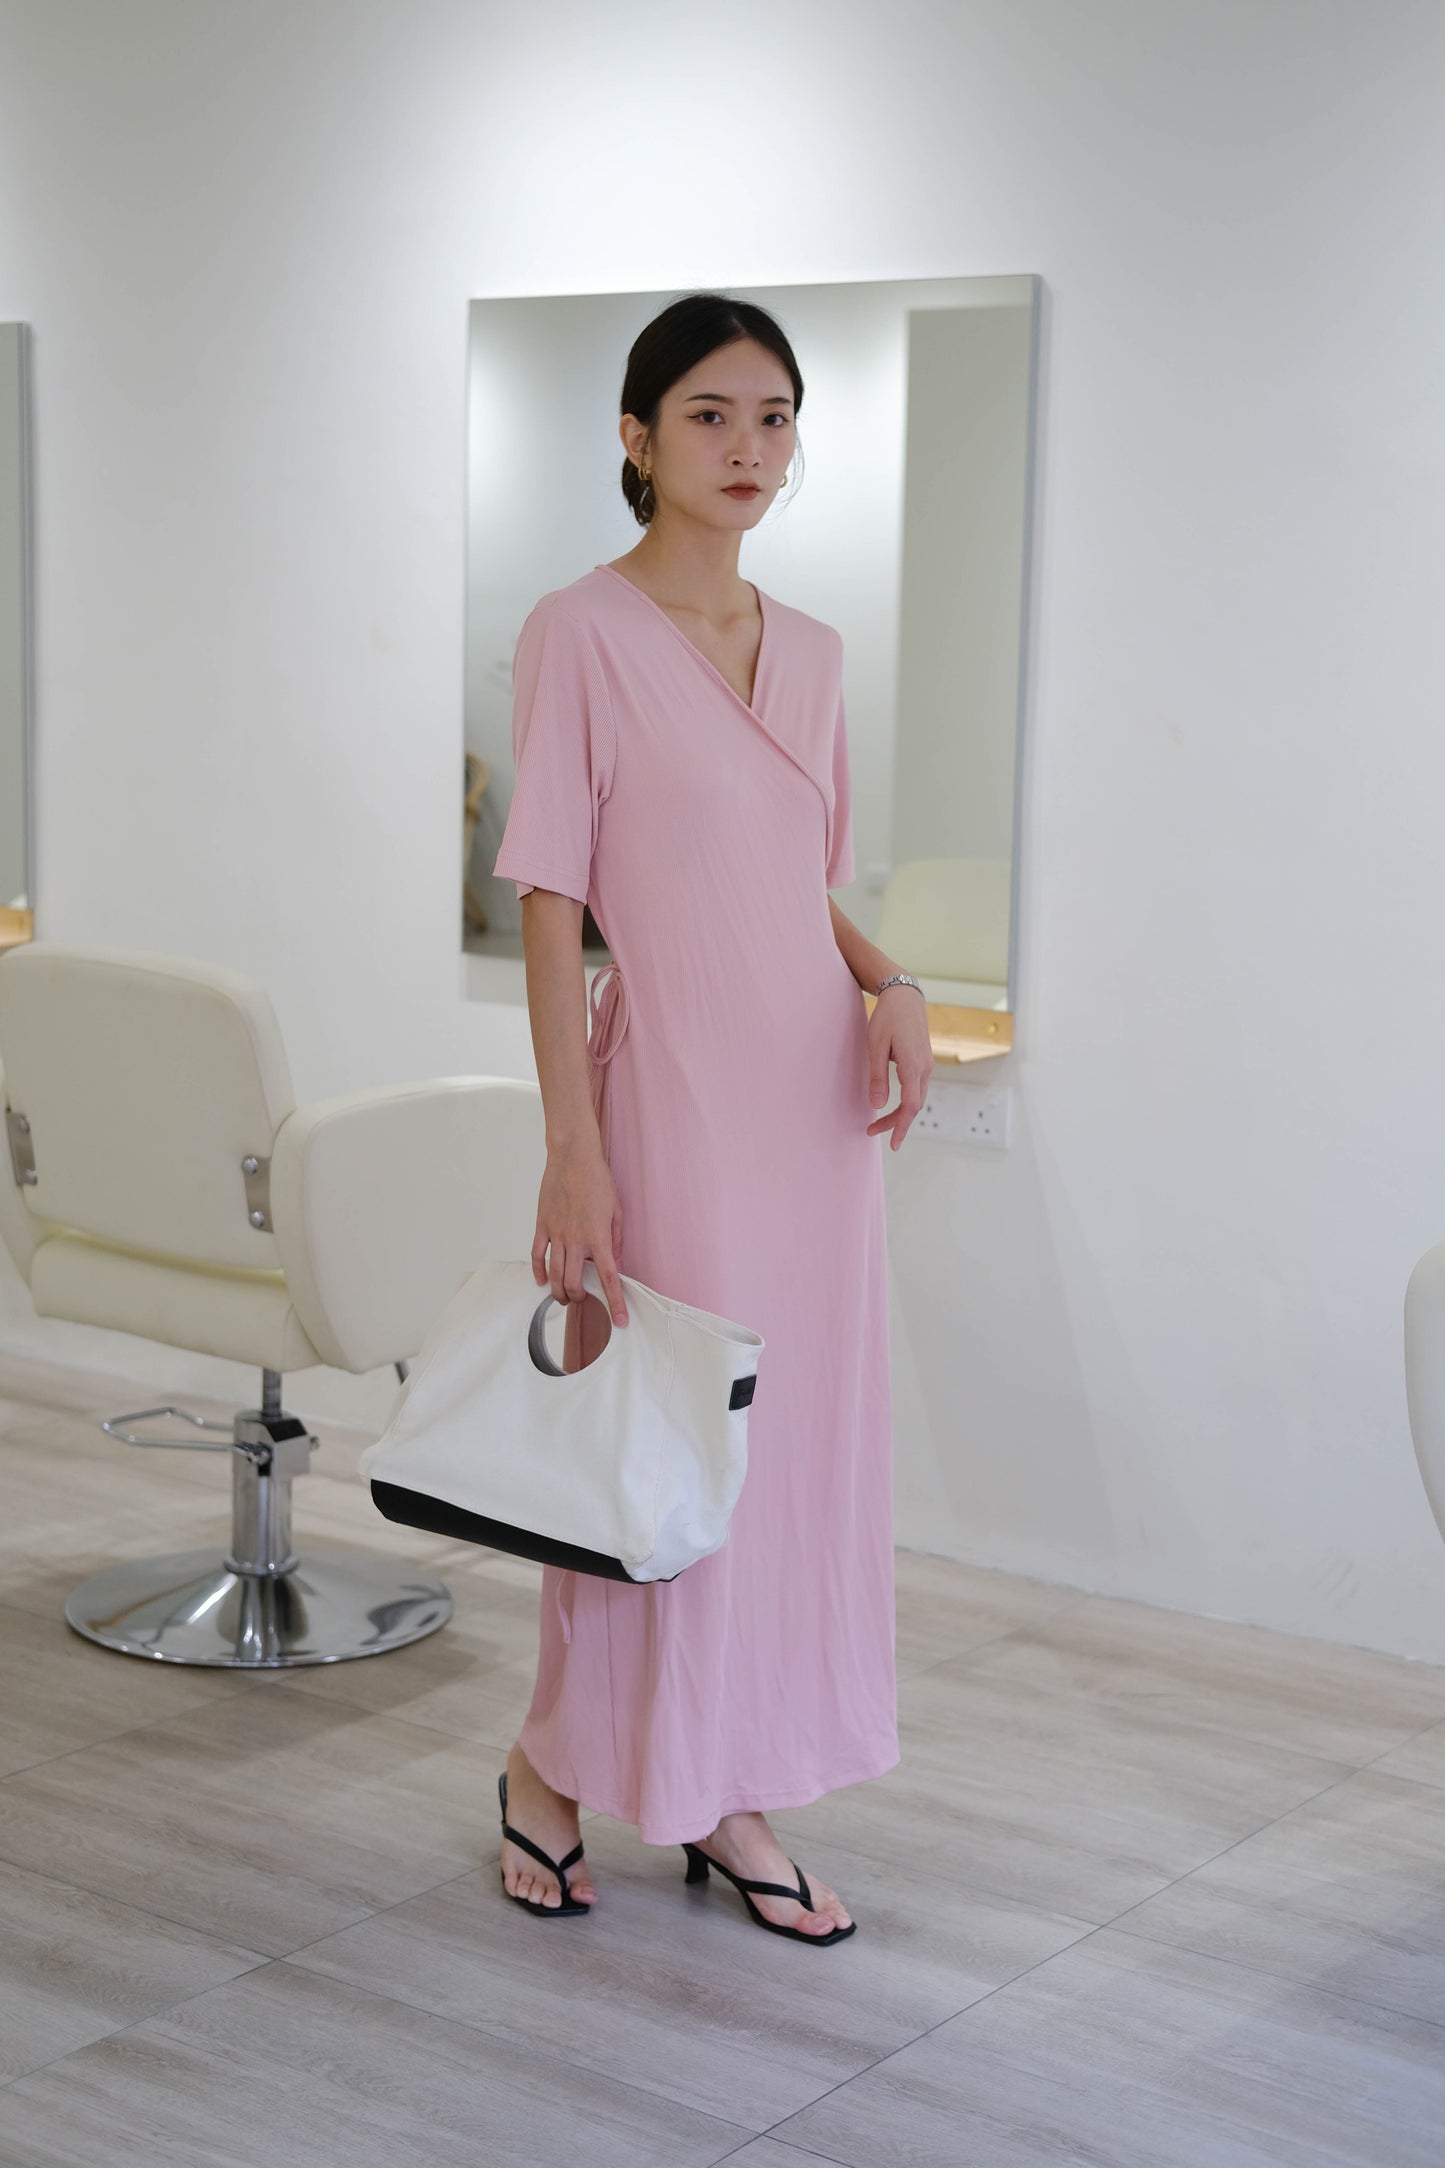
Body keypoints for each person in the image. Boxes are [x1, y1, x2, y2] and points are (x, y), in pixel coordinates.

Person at [491, 291, 933, 1942]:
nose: (748, 448)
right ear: (634, 437)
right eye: (708, 415)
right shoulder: (578, 632)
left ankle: (728, 1786)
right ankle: (551, 1765)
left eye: (773, 417)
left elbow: (792, 882)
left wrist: (890, 979)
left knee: (785, 1455)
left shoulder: (812, 653)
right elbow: (552, 903)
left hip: (811, 1111)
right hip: (665, 1096)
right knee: (653, 1446)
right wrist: (572, 1144)